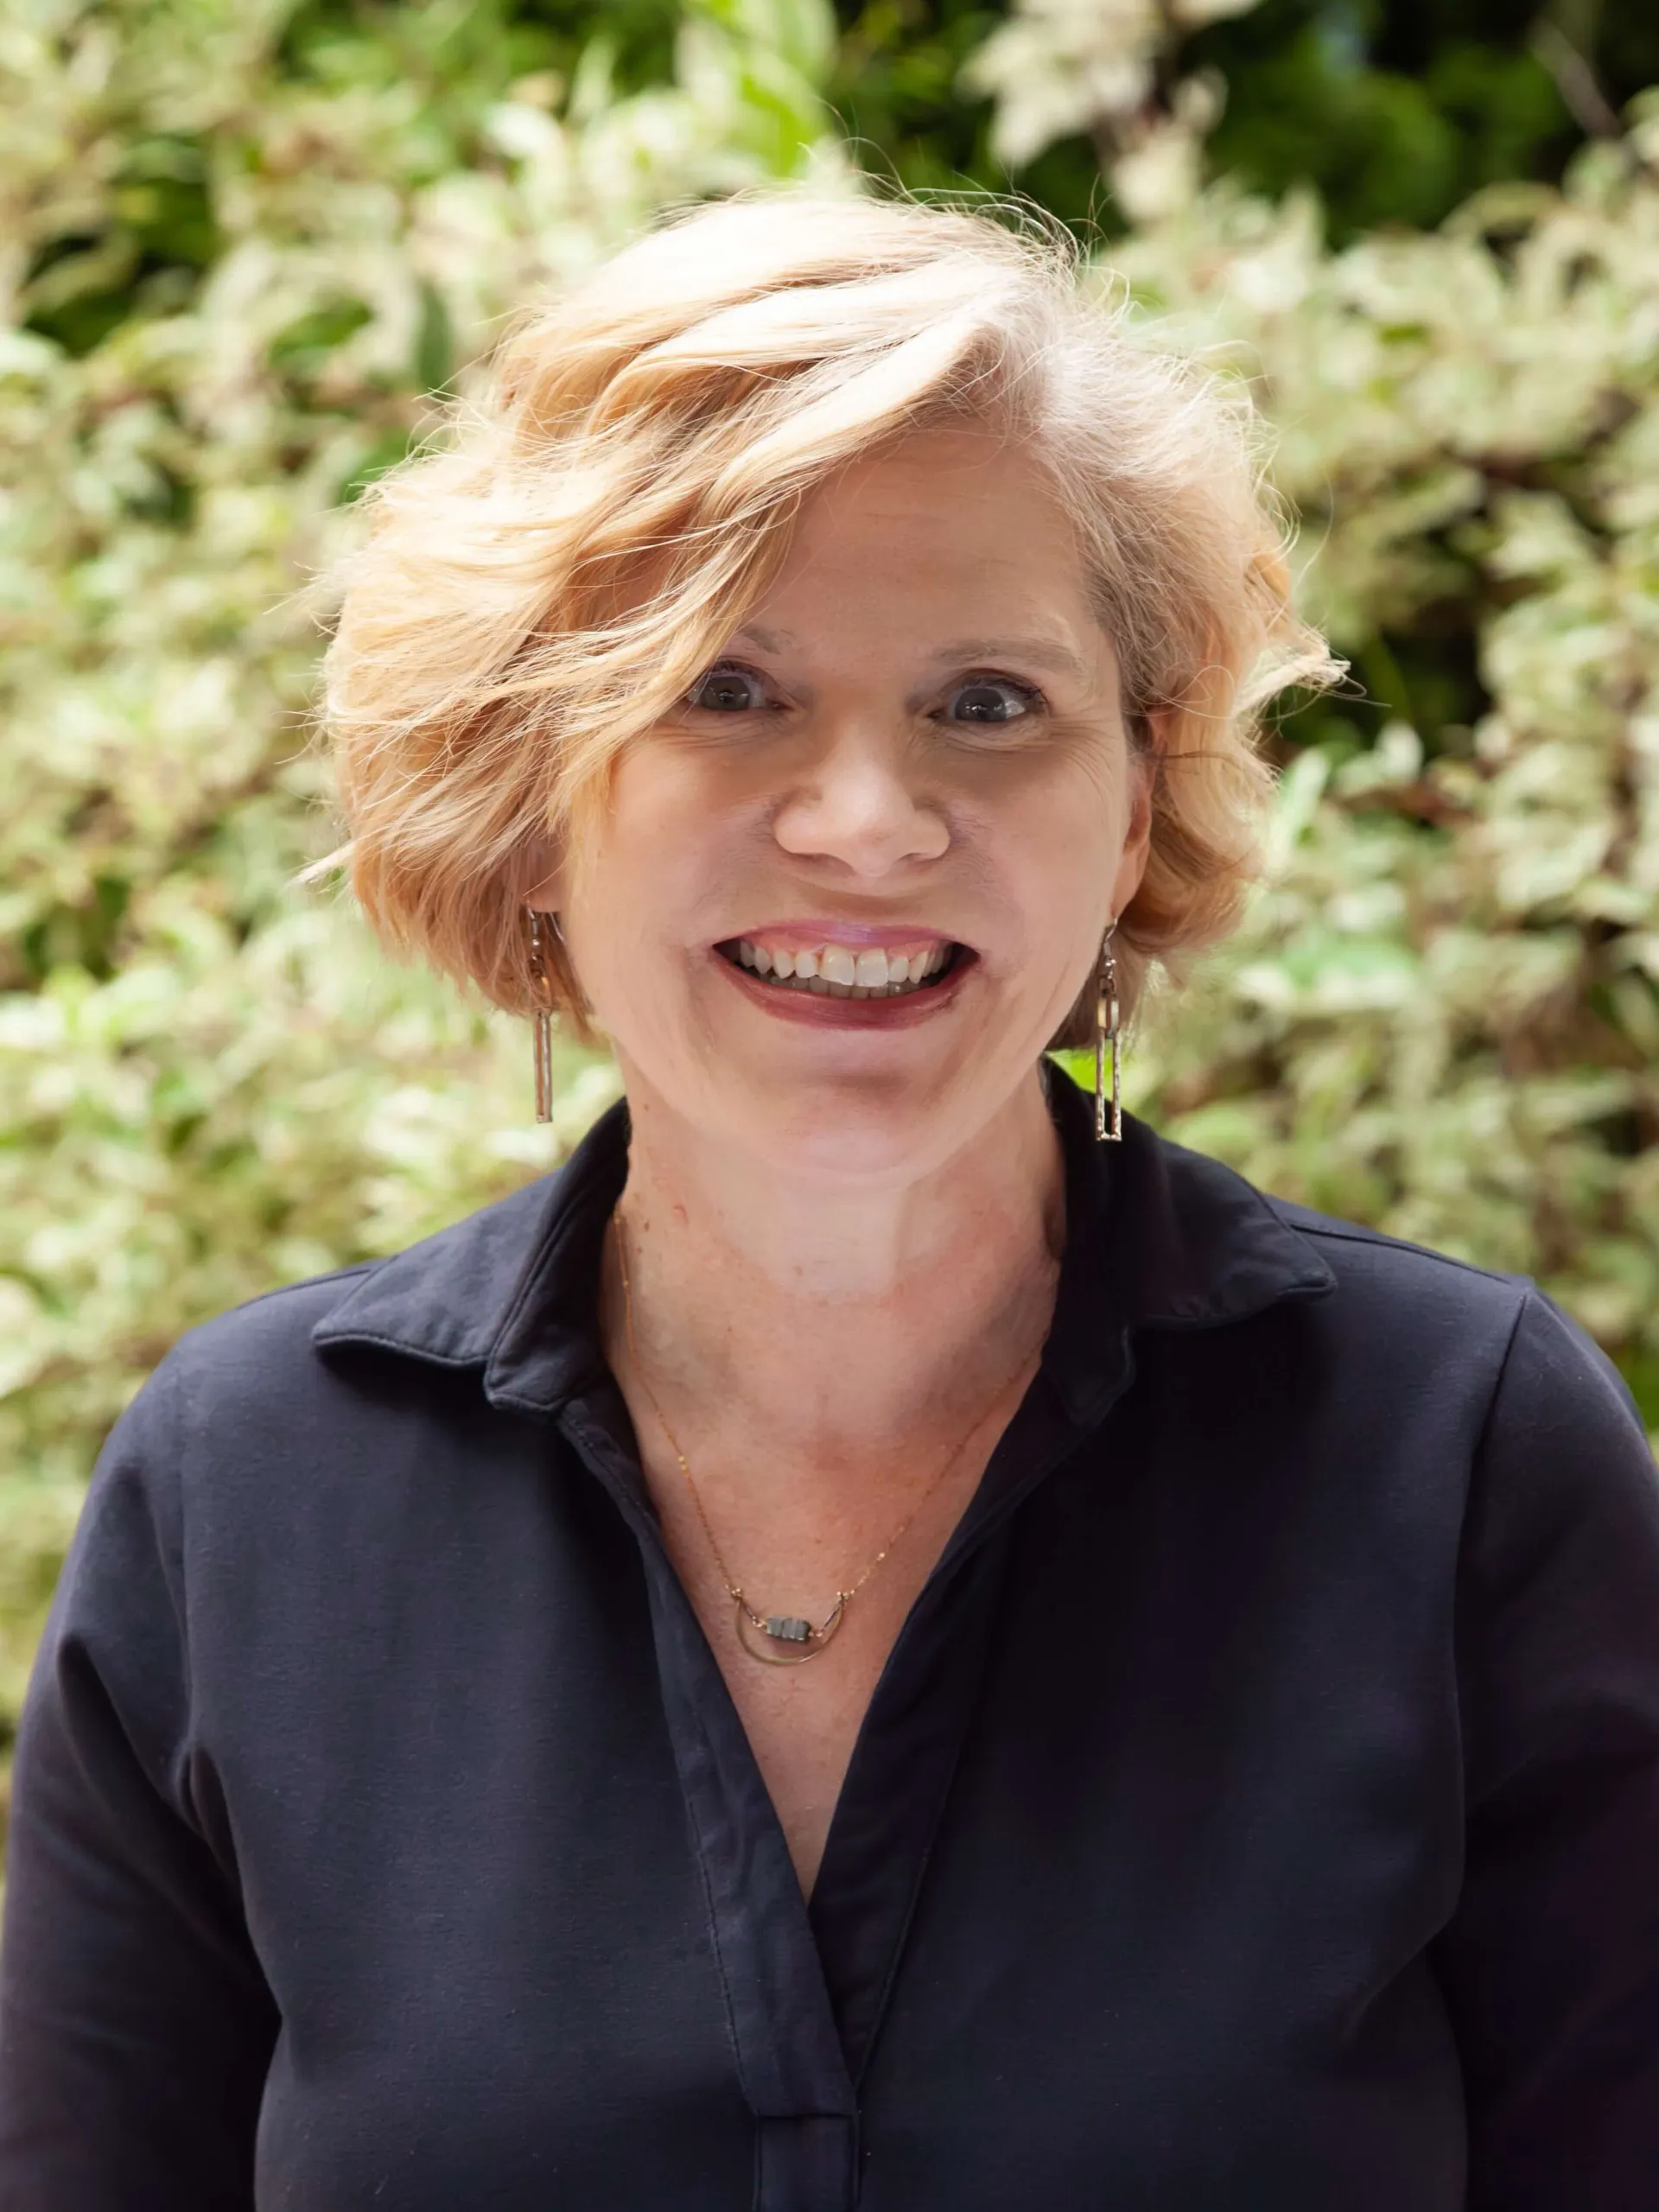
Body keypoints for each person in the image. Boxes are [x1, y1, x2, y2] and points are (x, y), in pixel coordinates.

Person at [2, 193, 1656, 2212]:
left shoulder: (1461, 1449)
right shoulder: (245, 1487)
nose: (868, 820)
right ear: (534, 797)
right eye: (727, 687)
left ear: (1133, 805)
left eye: (986, 701)